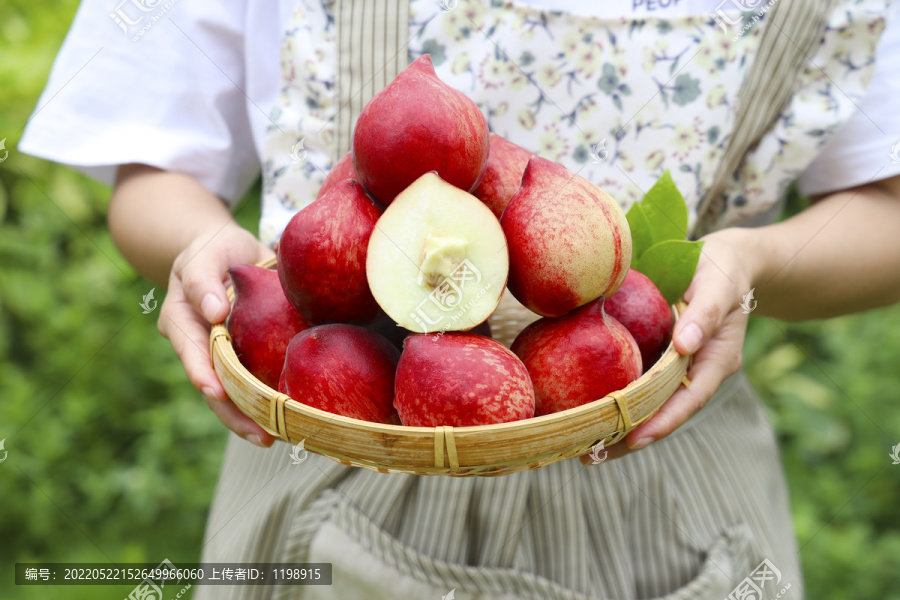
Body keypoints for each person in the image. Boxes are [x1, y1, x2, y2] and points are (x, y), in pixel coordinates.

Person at [20, 0, 900, 598]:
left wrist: (754, 261)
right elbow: (155, 168)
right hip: (326, 447)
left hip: (659, 465)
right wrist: (197, 246)